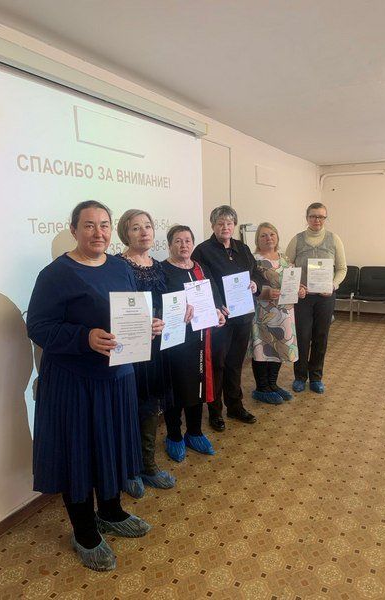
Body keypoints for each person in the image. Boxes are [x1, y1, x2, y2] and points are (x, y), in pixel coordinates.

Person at [27, 200, 157, 572]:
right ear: (74, 230)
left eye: (103, 225)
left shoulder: (119, 266)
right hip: (74, 383)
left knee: (112, 447)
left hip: (117, 378)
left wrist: (148, 324)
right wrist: (84, 337)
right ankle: (84, 531)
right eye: (88, 225)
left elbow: (130, 311)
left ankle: (111, 512)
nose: (98, 233)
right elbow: (37, 326)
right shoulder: (56, 274)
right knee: (79, 455)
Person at [117, 209, 187, 497]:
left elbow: (167, 302)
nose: (144, 231)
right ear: (125, 233)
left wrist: (182, 310)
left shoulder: (158, 266)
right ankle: (128, 470)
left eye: (147, 226)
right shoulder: (117, 265)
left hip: (157, 347)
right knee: (129, 408)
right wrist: (141, 324)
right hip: (130, 349)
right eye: (136, 228)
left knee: (149, 409)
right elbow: (117, 310)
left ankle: (148, 465)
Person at [192, 205, 266, 432]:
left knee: (235, 363)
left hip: (243, 316)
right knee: (217, 365)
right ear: (213, 225)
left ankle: (235, 406)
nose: (225, 227)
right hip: (219, 319)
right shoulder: (202, 251)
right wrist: (216, 305)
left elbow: (256, 273)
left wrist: (255, 284)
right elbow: (202, 283)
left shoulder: (242, 248)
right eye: (220, 223)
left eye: (229, 223)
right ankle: (215, 412)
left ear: (234, 225)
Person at [161, 225, 225, 461]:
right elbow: (159, 303)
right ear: (170, 245)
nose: (184, 245)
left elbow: (214, 297)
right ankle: (174, 435)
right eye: (178, 241)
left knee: (198, 387)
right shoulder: (162, 270)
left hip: (200, 340)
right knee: (175, 389)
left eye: (187, 240)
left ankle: (195, 432)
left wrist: (218, 312)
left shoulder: (200, 268)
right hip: (175, 342)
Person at [285, 202, 347, 393]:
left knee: (321, 337)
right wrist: (296, 285)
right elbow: (287, 266)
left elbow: (342, 269)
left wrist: (333, 285)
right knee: (302, 337)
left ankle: (316, 377)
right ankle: (300, 376)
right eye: (313, 216)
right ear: (307, 218)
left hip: (325, 297)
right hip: (303, 297)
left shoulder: (334, 239)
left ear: (325, 218)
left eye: (321, 216)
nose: (317, 220)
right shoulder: (297, 240)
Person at [251, 222, 305, 404]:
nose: (268, 238)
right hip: (263, 312)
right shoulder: (253, 260)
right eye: (264, 235)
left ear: (277, 237)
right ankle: (261, 388)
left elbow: (292, 282)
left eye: (272, 234)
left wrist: (300, 289)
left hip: (284, 312)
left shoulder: (285, 259)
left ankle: (272, 384)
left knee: (279, 346)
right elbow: (249, 286)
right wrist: (265, 293)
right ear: (257, 239)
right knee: (263, 348)